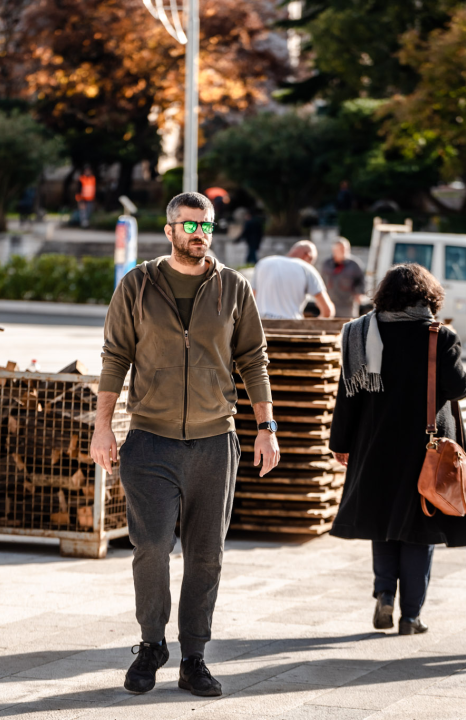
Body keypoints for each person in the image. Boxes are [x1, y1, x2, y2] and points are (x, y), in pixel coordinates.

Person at [91, 191, 279, 698]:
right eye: (190, 225)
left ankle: (194, 655)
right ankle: (151, 645)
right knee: (150, 545)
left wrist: (266, 427)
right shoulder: (137, 284)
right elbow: (114, 357)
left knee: (206, 554)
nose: (200, 234)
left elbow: (253, 360)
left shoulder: (234, 288)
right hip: (149, 440)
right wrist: (102, 426)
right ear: (169, 229)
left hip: (215, 441)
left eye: (207, 226)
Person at [329, 264, 466, 635]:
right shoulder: (438, 335)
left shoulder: (360, 332)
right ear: (429, 296)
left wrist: (340, 443)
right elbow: (460, 388)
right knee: (422, 526)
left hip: (374, 444)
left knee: (383, 524)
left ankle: (385, 593)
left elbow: (347, 396)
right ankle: (411, 616)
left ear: (384, 294)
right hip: (425, 447)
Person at [252, 240, 335, 319]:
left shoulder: (262, 264)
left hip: (261, 324)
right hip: (291, 324)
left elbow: (251, 299)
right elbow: (327, 311)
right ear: (308, 256)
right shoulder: (306, 268)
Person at [322, 237, 365, 318]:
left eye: (345, 249)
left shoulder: (354, 264)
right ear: (334, 250)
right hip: (330, 302)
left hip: (347, 304)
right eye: (341, 249)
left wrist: (359, 293)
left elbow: (361, 280)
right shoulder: (326, 264)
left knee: (348, 326)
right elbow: (321, 281)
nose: (344, 251)